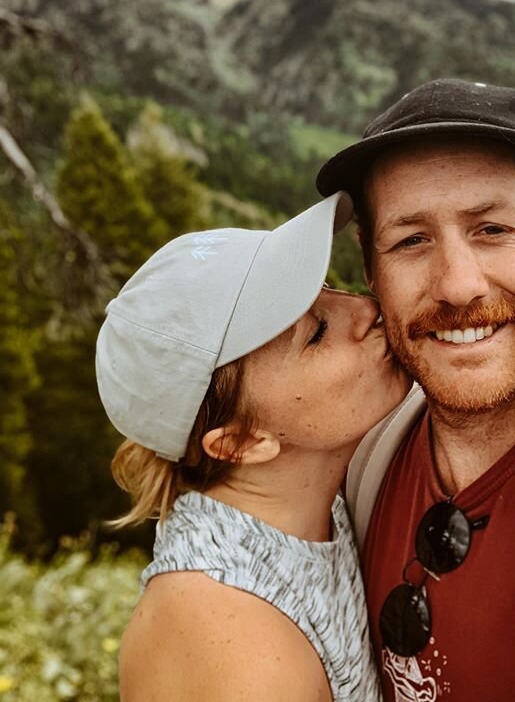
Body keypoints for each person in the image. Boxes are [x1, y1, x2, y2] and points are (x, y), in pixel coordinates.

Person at [315, 79, 515, 702]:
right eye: (411, 240)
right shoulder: (358, 460)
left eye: (492, 229)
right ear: (369, 268)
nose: (458, 286)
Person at [95, 192, 412, 702]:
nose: (365, 307)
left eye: (326, 287)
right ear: (243, 442)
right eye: (316, 333)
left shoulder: (308, 507)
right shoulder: (238, 644)